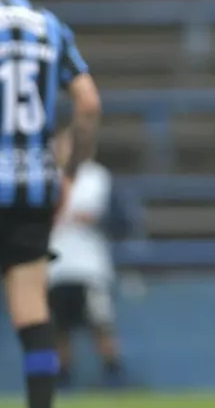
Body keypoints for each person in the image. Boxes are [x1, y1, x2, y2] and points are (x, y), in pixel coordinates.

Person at [0, 0, 101, 408]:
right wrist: (71, 171)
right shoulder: (49, 26)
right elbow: (88, 104)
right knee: (31, 312)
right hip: (34, 185)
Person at [47, 117, 125, 389]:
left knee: (100, 322)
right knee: (59, 328)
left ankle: (113, 373)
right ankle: (62, 378)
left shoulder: (97, 177)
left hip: (90, 266)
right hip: (56, 266)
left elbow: (122, 221)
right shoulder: (47, 178)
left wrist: (94, 219)